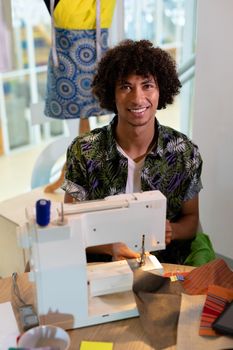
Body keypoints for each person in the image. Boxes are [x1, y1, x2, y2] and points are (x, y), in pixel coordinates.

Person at [62, 39, 203, 264]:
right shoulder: (84, 151)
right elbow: (67, 224)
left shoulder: (184, 153)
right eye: (125, 86)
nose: (138, 98)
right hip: (102, 268)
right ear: (112, 94)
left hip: (164, 271)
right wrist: (110, 246)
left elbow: (191, 219)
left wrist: (173, 231)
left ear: (161, 90)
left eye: (147, 85)